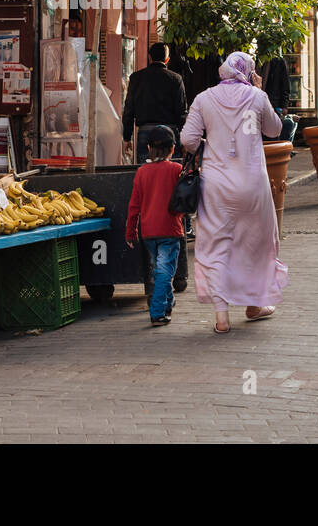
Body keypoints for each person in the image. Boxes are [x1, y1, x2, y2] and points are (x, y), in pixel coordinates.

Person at [179, 52, 286, 335]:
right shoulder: (257, 97)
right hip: (253, 183)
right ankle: (254, 305)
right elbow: (275, 130)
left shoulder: (203, 98)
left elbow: (188, 140)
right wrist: (260, 91)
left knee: (217, 245)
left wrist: (211, 143)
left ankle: (222, 316)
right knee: (255, 243)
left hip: (216, 185)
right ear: (248, 72)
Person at [124, 125, 185, 327]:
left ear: (149, 148)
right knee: (165, 271)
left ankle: (167, 302)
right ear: (172, 148)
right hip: (170, 230)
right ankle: (158, 312)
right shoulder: (177, 170)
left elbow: (134, 206)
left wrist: (131, 231)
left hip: (148, 232)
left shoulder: (142, 172)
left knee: (161, 269)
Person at [122, 43, 188, 163]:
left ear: (149, 57)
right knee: (171, 174)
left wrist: (127, 137)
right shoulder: (176, 79)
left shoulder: (136, 78)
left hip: (145, 133)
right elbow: (182, 112)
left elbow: (129, 110)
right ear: (167, 60)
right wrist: (185, 141)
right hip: (170, 134)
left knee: (146, 173)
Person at [261, 55, 297, 143]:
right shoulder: (257, 60)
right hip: (261, 104)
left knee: (273, 135)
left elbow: (285, 85)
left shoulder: (278, 61)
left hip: (273, 104)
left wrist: (284, 106)